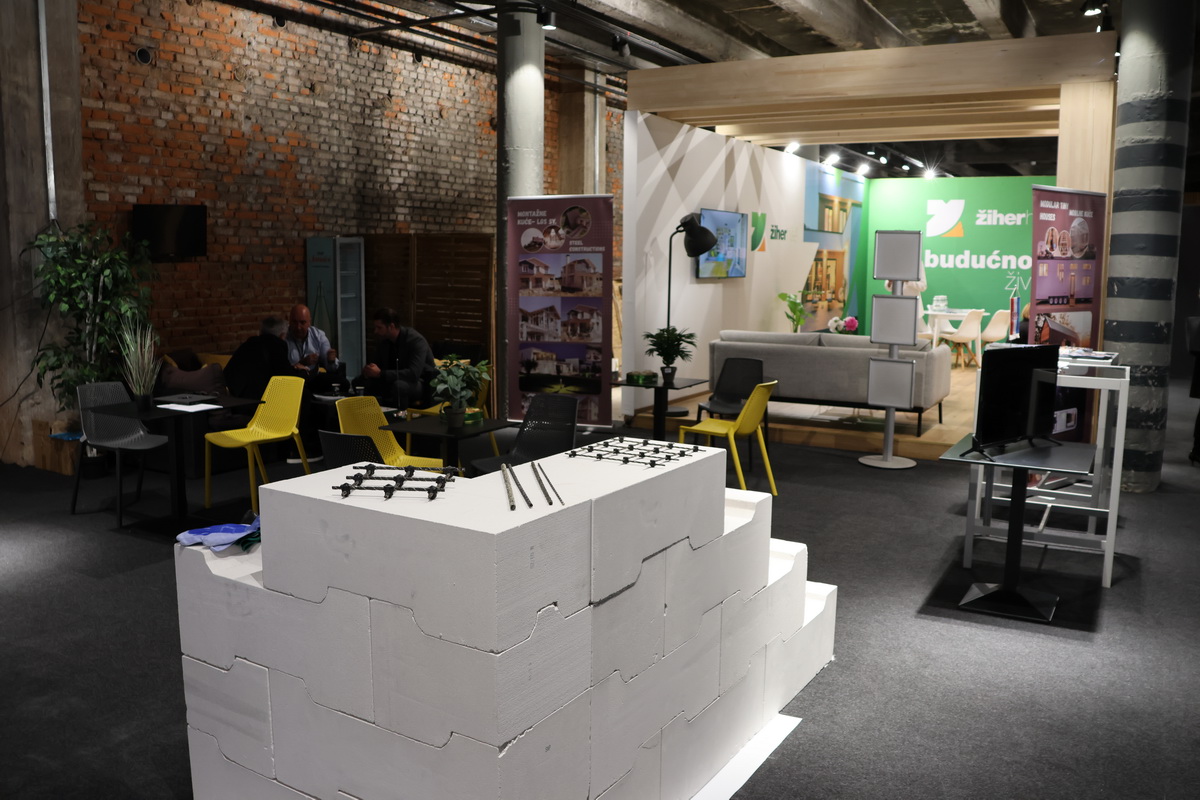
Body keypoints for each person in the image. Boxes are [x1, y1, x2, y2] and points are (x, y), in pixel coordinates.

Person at [360, 308, 438, 410]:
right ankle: (369, 415)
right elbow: (377, 365)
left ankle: (400, 417)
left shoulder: (415, 340)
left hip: (419, 382)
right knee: (360, 382)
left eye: (379, 328)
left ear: (391, 326)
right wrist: (369, 371)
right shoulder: (384, 341)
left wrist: (380, 374)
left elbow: (413, 373)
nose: (376, 331)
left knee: (399, 386)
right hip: (392, 378)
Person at [223, 316, 294, 401]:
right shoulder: (276, 347)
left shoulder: (248, 345)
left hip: (229, 399)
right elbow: (286, 377)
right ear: (282, 336)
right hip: (254, 402)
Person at [286, 304, 345, 391]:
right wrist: (301, 363)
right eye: (295, 322)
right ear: (289, 321)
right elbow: (280, 370)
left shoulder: (318, 336)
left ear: (309, 322)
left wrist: (331, 361)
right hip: (291, 382)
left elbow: (331, 368)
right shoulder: (283, 337)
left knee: (343, 383)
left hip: (313, 379)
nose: (298, 327)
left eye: (302, 323)